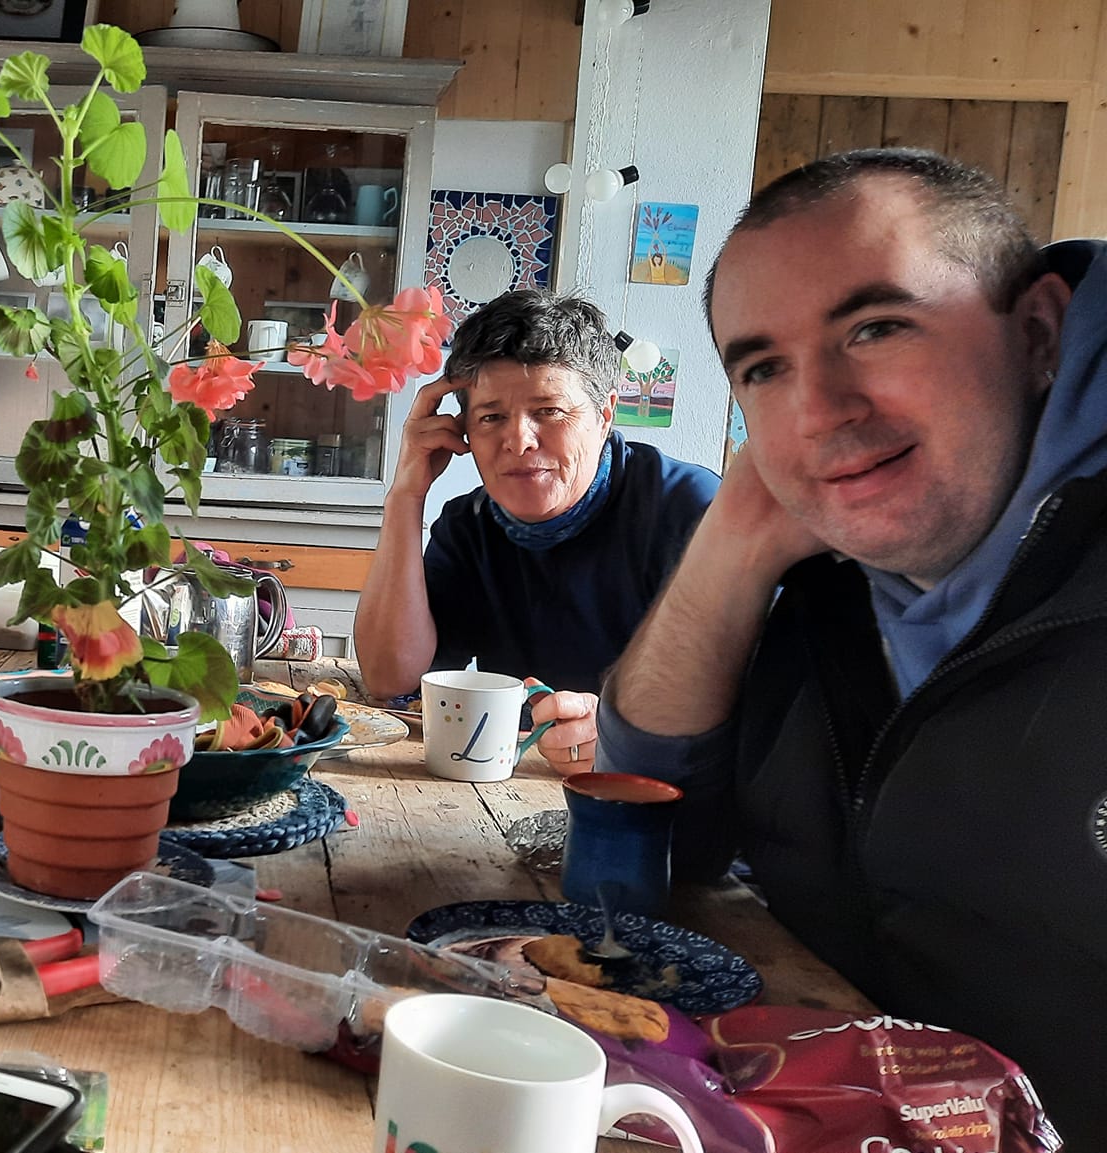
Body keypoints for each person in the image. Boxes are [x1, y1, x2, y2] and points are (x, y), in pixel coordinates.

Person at [599, 148, 1107, 1144]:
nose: (817, 410)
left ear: (1038, 333)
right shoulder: (828, 578)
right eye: (762, 369)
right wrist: (730, 549)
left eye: (874, 327)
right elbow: (653, 820)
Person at [353, 290, 718, 772]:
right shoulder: (469, 526)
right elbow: (388, 677)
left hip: (657, 798)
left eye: (549, 410)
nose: (519, 440)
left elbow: (754, 701)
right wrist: (405, 495)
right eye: (491, 417)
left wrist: (621, 731)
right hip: (511, 790)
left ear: (605, 415)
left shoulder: (688, 508)